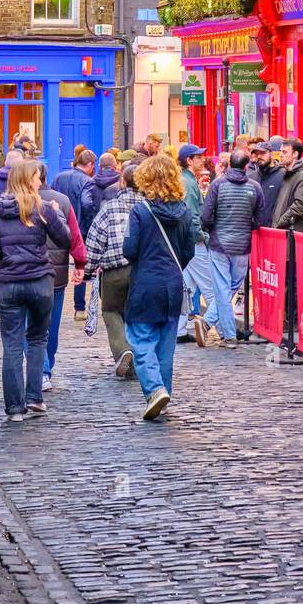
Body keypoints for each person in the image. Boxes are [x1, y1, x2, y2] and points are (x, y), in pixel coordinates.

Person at [0, 158, 72, 421]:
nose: (40, 182)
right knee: (36, 340)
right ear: (26, 180)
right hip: (40, 281)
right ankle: (34, 398)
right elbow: (65, 240)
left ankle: (14, 408)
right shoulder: (42, 207)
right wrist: (56, 213)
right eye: (36, 177)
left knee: (11, 345)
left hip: (9, 284)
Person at [122, 154, 195, 421]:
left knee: (141, 339)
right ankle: (163, 392)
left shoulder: (141, 211)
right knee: (166, 344)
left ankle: (155, 389)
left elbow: (130, 249)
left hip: (146, 282)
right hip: (172, 283)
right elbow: (189, 251)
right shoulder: (184, 212)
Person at [199, 147, 262, 348]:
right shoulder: (255, 187)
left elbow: (206, 216)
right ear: (246, 166)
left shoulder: (218, 185)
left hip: (219, 244)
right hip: (242, 245)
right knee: (230, 287)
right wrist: (246, 225)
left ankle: (218, 328)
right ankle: (218, 328)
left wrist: (212, 230)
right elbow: (261, 219)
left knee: (223, 288)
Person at [85, 161, 141, 378]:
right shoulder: (151, 206)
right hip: (143, 271)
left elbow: (94, 241)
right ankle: (139, 360)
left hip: (114, 271)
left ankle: (123, 350)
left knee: (111, 311)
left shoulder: (110, 207)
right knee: (138, 316)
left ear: (122, 182)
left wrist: (88, 269)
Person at [37, 164, 87, 388]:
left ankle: (43, 368)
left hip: (30, 272)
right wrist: (80, 263)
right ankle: (47, 365)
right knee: (52, 323)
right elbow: (75, 237)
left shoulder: (21, 200)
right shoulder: (62, 201)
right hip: (57, 272)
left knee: (34, 323)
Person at [175, 144, 215, 344]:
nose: (202, 159)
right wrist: (202, 237)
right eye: (198, 157)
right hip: (193, 243)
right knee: (211, 287)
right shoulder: (188, 183)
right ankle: (224, 329)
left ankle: (179, 330)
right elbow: (192, 216)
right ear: (189, 160)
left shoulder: (187, 180)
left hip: (185, 241)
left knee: (186, 287)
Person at [53, 148, 97, 318]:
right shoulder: (87, 181)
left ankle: (54, 298)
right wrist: (90, 220)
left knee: (57, 262)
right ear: (90, 165)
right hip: (80, 228)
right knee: (81, 264)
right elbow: (86, 203)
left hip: (57, 226)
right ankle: (79, 308)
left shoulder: (58, 177)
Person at [270, 138, 303, 231]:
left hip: (292, 231)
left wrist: (280, 222)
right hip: (283, 230)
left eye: (284, 152)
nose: (280, 155)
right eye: (281, 151)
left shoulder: (302, 175)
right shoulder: (286, 173)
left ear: (295, 154)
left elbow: (301, 205)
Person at [249, 138, 285, 227]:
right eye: (257, 154)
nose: (259, 156)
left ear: (271, 154)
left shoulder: (283, 174)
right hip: (254, 228)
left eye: (263, 153)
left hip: (275, 228)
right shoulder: (252, 177)